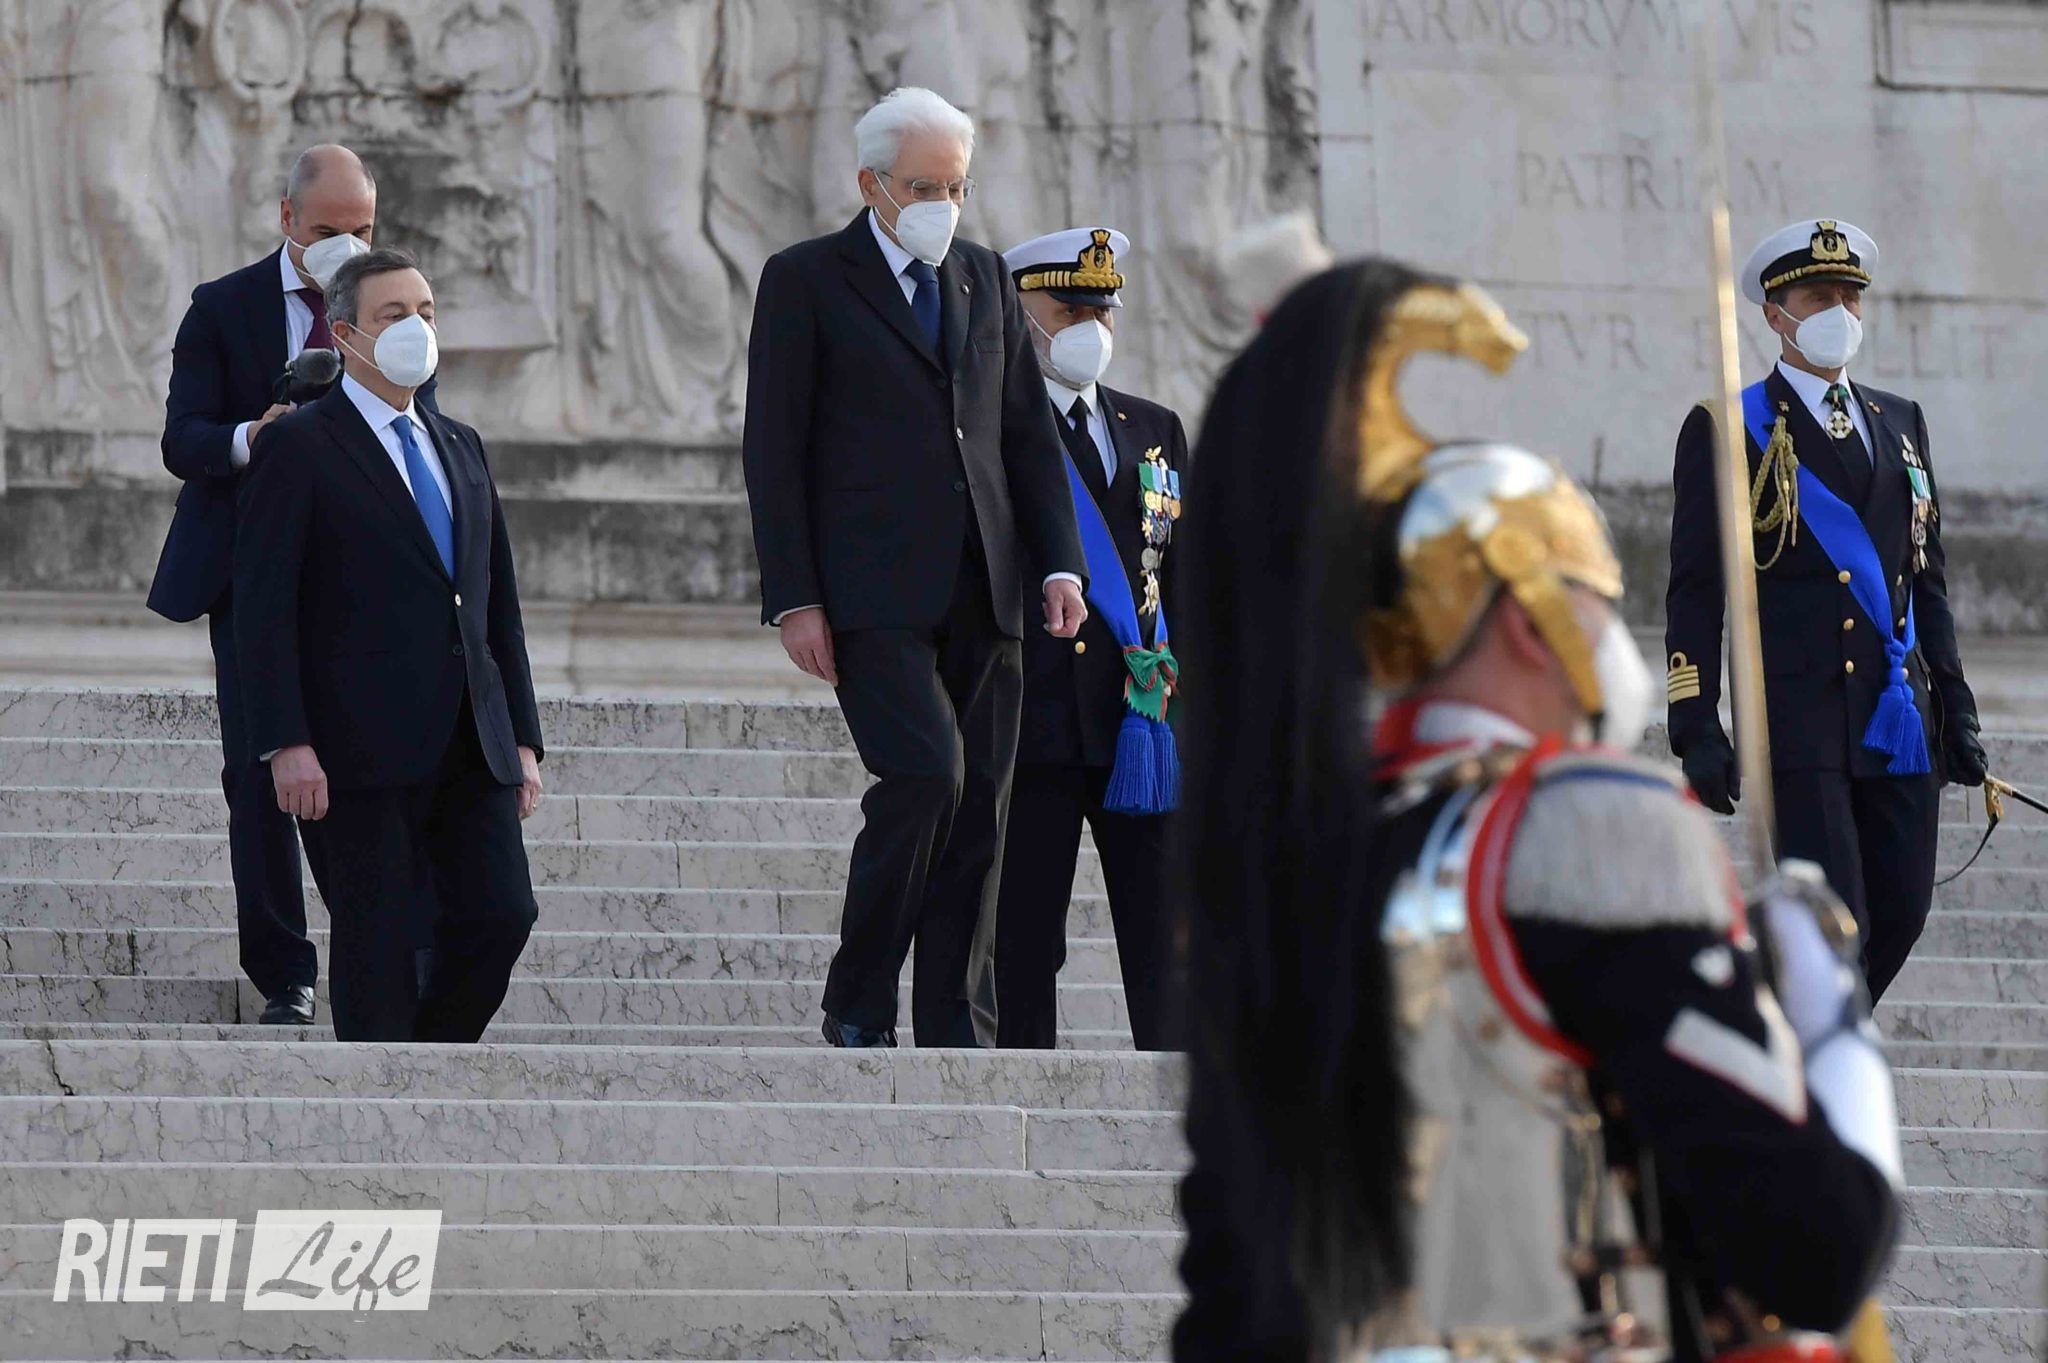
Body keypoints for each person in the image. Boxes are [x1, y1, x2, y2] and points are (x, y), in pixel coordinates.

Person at [1172, 260, 1901, 1362]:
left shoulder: (1296, 851)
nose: (1612, 628)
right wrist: (1831, 1021)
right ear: (1526, 621)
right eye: (1598, 596)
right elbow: (1813, 1247)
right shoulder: (1597, 827)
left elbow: (1229, 1292)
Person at [741, 87, 1087, 1049]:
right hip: (871, 593)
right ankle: (859, 998)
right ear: (871, 184)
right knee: (928, 774)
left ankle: (955, 1025)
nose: (944, 204)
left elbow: (1026, 436)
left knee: (983, 815)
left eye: (957, 186)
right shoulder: (806, 278)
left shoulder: (983, 277)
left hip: (989, 583)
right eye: (924, 186)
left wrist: (1060, 566)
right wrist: (795, 597)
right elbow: (774, 448)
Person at [145, 144, 435, 1026]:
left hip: (363, 577)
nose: (348, 246)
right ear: (286, 220)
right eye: (329, 229)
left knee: (378, 762)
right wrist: (253, 436)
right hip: (254, 571)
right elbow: (182, 437)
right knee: (257, 767)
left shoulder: (395, 306)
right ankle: (284, 970)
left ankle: (387, 945)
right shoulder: (223, 307)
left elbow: (424, 426)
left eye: (364, 228)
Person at [1664, 218, 1982, 1001]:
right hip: (1799, 721)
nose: (1839, 311)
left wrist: (1957, 707)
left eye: (1850, 296)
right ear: (1776, 314)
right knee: (1836, 922)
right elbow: (1697, 589)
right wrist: (1695, 723)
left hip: (1897, 718)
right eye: (1819, 296)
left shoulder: (1901, 421)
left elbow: (1926, 576)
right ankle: (1831, 1056)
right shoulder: (1727, 425)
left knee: (1902, 911)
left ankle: (1809, 1037)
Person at [233, 249, 542, 1043]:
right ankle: (380, 1096)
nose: (416, 329)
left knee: (503, 913)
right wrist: (285, 741)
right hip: (353, 750)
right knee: (377, 944)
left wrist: (522, 736)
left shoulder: (461, 444)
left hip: (469, 740)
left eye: (426, 313)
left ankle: (428, 1062)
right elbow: (263, 610)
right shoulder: (299, 446)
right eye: (394, 315)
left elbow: (496, 605)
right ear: (344, 335)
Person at [992, 226, 1185, 1051]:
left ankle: (1175, 1085)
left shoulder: (1154, 427)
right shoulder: (994, 425)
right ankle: (1020, 1081)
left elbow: (1178, 572)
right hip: (1036, 714)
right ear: (1019, 313)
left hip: (1139, 720)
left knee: (1163, 926)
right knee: (1026, 932)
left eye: (1102, 312)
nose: (1090, 328)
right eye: (1069, 310)